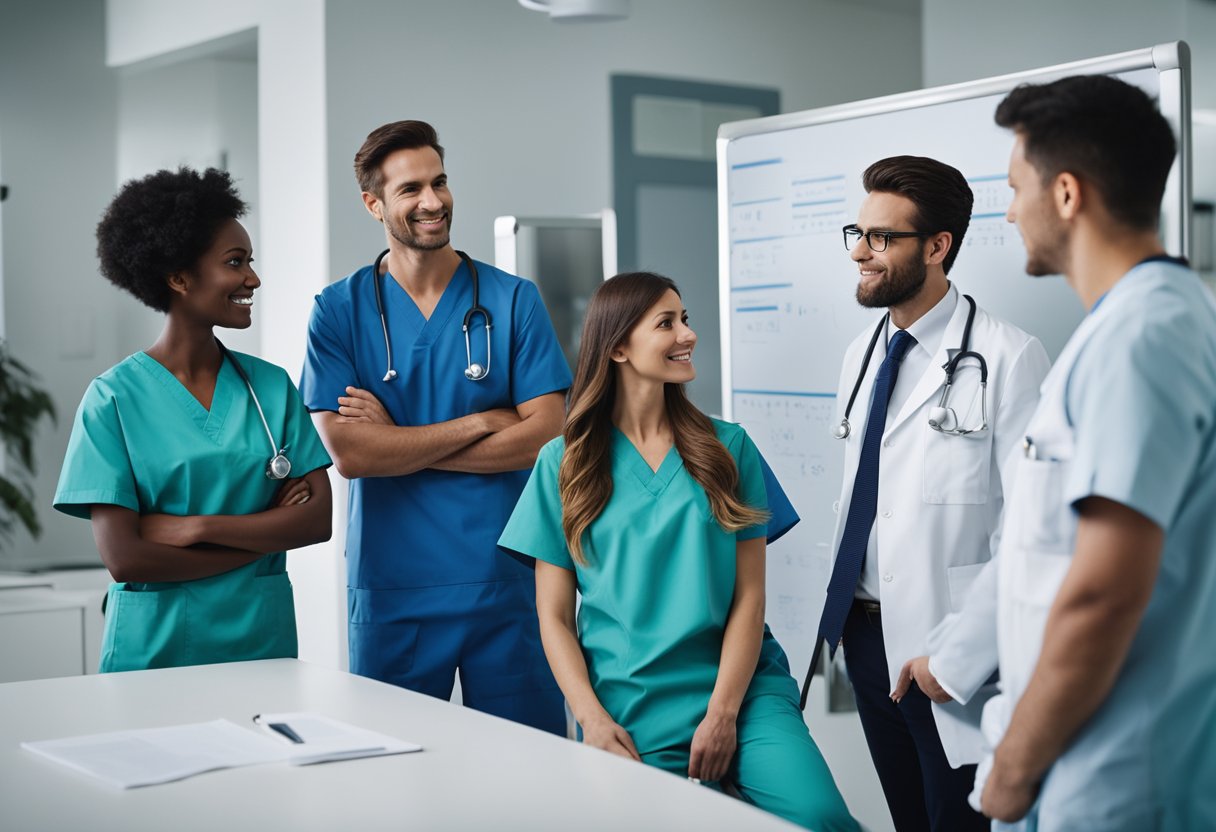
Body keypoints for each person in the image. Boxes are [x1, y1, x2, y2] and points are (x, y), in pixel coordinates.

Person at [498, 272, 859, 831]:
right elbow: (553, 617)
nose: (687, 334)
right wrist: (591, 720)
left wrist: (723, 714)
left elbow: (750, 598)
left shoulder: (728, 448)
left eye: (684, 319)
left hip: (742, 688)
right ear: (617, 346)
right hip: (630, 702)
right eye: (666, 323)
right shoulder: (562, 463)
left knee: (819, 818)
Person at [971, 74, 1216, 832]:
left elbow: (1104, 593)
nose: (1010, 211)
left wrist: (1011, 772)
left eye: (1017, 187)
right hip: (1095, 769)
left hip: (1120, 783)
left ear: (1068, 194)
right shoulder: (1138, 326)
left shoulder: (1142, 339)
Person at [299, 120, 570, 734]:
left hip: (510, 583)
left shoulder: (512, 300)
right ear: (373, 204)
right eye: (410, 189)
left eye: (440, 182)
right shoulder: (338, 311)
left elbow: (548, 436)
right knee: (394, 778)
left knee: (528, 779)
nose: (433, 202)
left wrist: (397, 440)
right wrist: (481, 420)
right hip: (395, 590)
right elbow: (350, 454)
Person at [809, 156, 1050, 831]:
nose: (860, 250)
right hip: (864, 640)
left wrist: (958, 658)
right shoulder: (861, 354)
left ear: (938, 247)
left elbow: (1031, 533)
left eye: (882, 237)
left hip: (948, 652)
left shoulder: (1009, 357)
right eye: (858, 232)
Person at [53, 167, 333, 672]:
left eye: (250, 261)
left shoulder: (270, 387)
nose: (253, 278)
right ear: (179, 278)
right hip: (154, 653)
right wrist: (258, 539)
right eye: (235, 262)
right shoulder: (112, 400)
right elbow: (126, 557)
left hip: (260, 649)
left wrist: (194, 527)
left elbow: (316, 521)